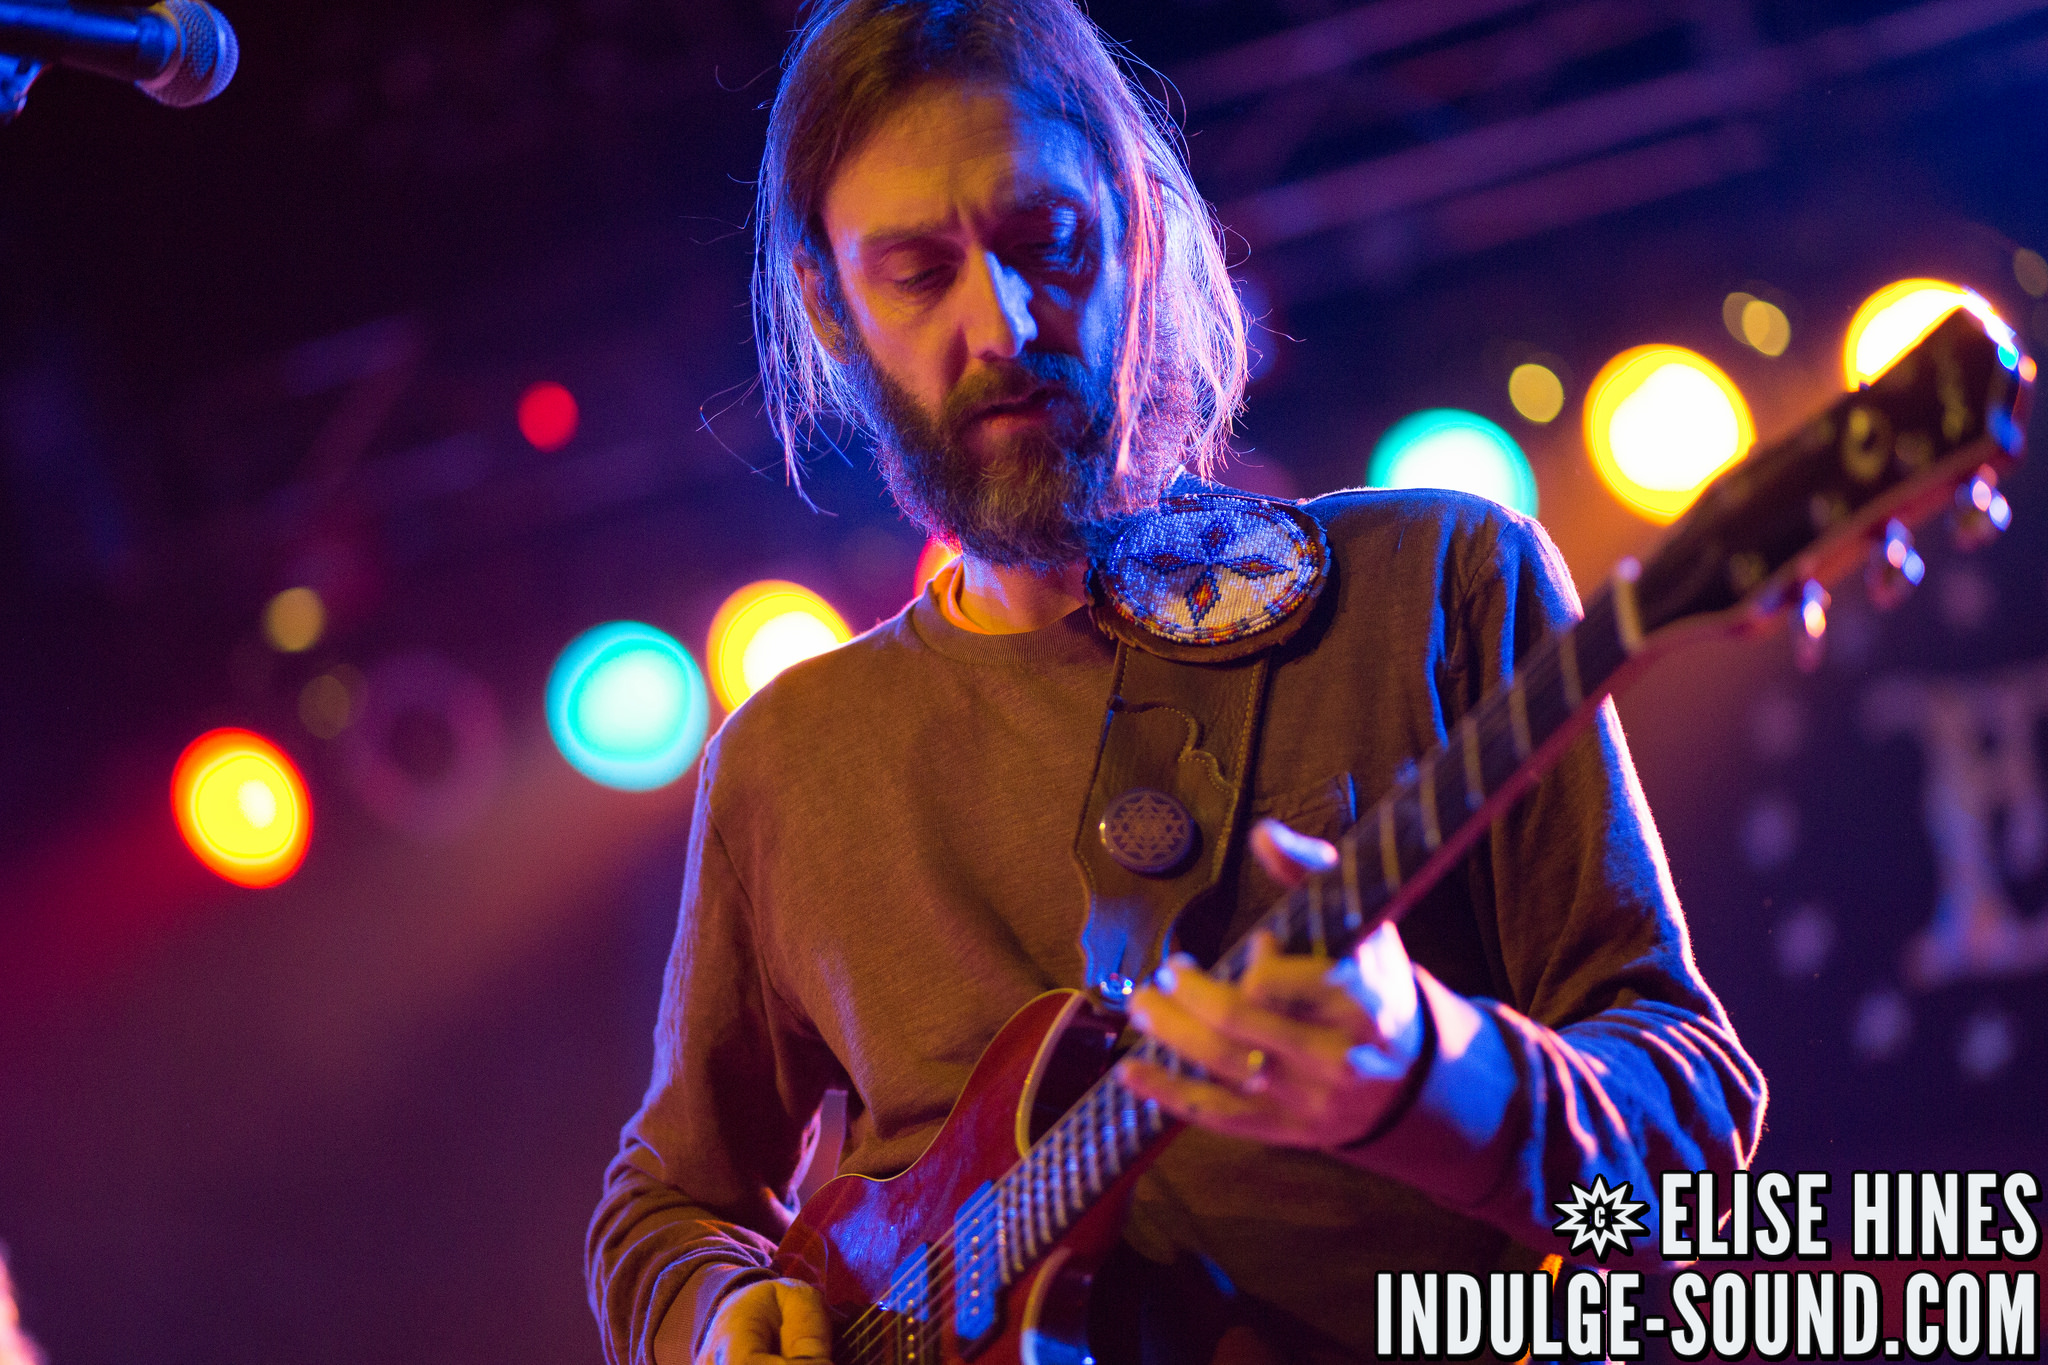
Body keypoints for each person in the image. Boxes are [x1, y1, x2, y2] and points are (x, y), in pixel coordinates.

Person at [586, 2, 1767, 1362]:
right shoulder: (790, 757)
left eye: (1048, 243)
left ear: (1140, 229)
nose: (1001, 322)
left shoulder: (1434, 586)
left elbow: (1691, 1151)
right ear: (828, 307)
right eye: (916, 273)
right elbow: (664, 1206)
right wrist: (718, 1311)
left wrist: (1426, 1073)